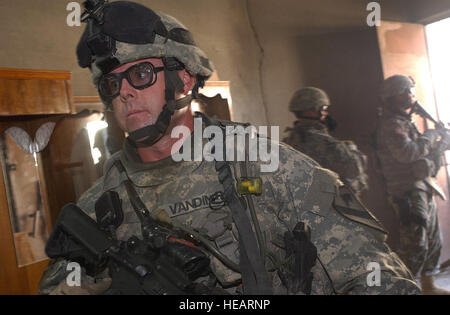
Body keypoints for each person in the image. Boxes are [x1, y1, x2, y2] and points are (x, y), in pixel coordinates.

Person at [38, 1, 419, 295]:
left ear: (183, 79)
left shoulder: (266, 167)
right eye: (111, 84)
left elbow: (373, 273)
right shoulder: (98, 205)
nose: (124, 93)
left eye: (141, 74)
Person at [375, 74, 448, 293]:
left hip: (422, 186)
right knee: (414, 245)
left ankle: (428, 286)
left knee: (434, 240)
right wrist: (431, 136)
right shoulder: (390, 125)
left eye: (410, 90)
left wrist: (442, 141)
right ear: (391, 97)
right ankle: (400, 288)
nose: (411, 95)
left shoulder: (405, 122)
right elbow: (407, 154)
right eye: (405, 91)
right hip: (406, 191)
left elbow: (421, 154)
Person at [283, 87, 369, 197]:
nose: (326, 112)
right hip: (333, 207)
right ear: (311, 111)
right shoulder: (322, 142)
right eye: (323, 108)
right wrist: (351, 148)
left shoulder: (289, 141)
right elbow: (354, 168)